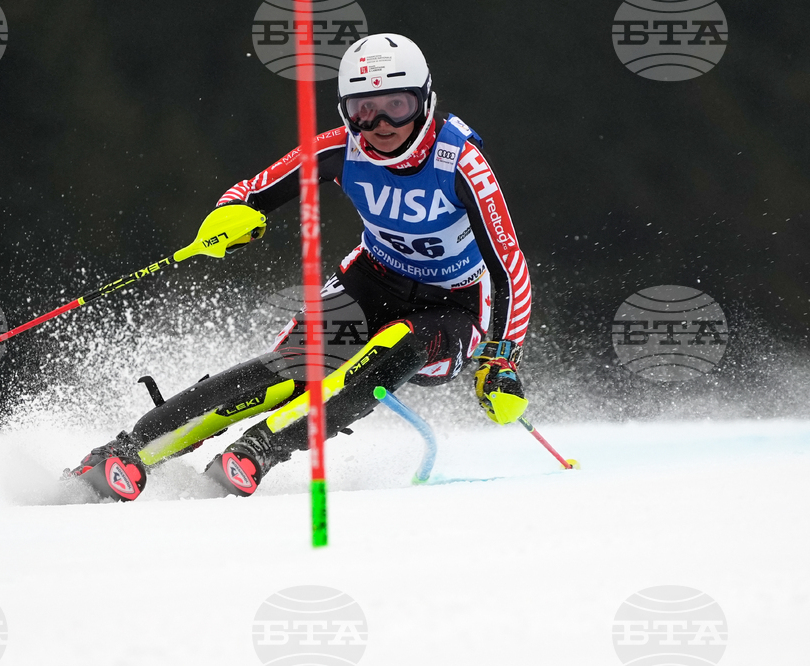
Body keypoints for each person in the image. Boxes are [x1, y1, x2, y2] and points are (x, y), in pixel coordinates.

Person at [61, 33, 532, 501]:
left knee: (394, 348)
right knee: (292, 369)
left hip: (455, 307)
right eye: (364, 109)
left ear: (425, 102)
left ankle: (260, 450)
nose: (381, 123)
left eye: (398, 105)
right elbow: (251, 191)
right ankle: (126, 452)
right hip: (371, 281)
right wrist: (232, 219)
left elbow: (509, 266)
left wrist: (500, 360)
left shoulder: (460, 163)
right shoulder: (338, 148)